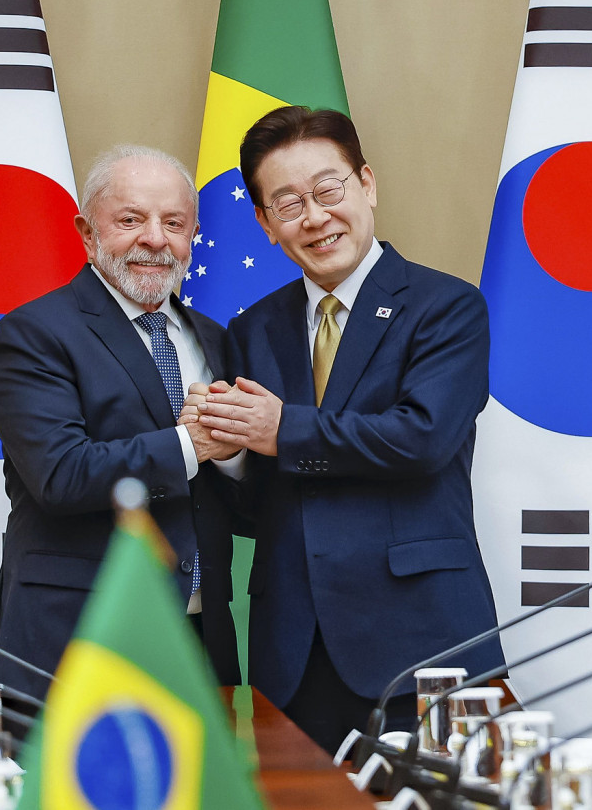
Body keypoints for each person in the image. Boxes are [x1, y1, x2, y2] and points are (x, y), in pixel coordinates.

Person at [187, 107, 504, 753]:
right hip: (293, 648)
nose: (315, 215)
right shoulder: (254, 329)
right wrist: (225, 454)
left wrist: (282, 429)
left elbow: (422, 438)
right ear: (266, 225)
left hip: (422, 635)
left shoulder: (446, 308)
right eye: (288, 202)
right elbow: (260, 502)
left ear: (368, 185)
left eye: (329, 190)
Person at [0, 144, 245, 718]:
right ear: (85, 230)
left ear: (192, 235)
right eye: (130, 219)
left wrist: (235, 452)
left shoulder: (216, 337)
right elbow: (60, 474)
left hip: (200, 634)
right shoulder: (34, 334)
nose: (155, 238)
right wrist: (192, 443)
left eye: (173, 223)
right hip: (81, 635)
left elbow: (234, 495)